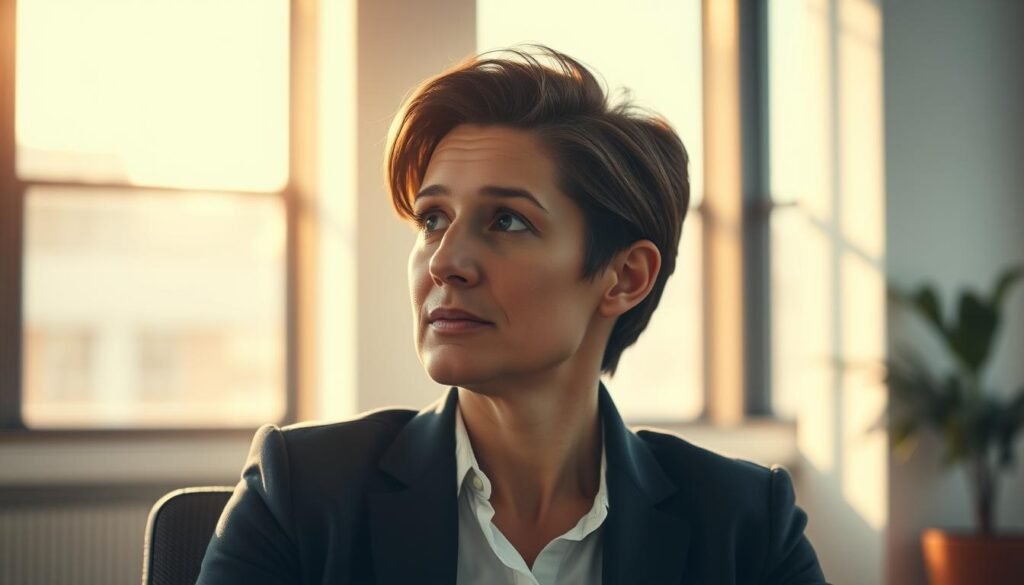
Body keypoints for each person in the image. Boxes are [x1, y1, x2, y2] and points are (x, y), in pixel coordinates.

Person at [196, 45, 828, 585]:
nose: (445, 262)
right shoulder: (302, 492)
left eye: (507, 220)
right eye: (433, 219)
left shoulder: (747, 523)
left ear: (625, 277)